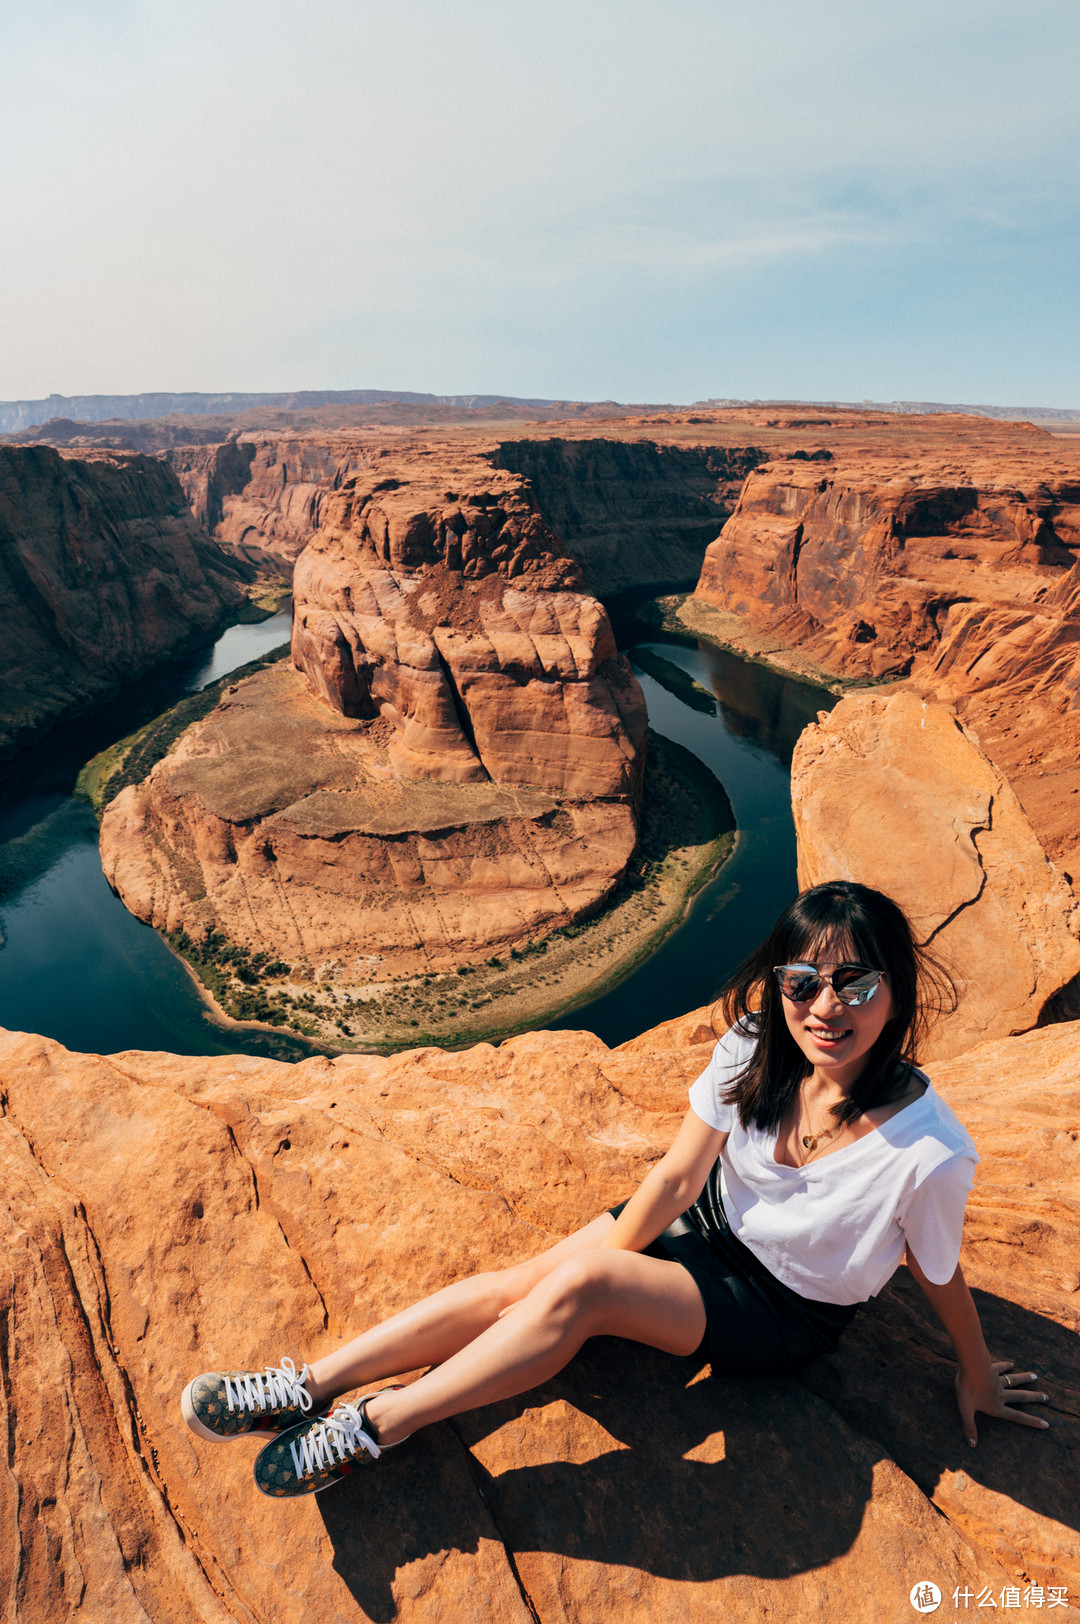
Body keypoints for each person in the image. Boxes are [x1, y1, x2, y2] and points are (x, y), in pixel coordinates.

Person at [180, 880, 1050, 1498]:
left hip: (785, 1309)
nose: (827, 1005)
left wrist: (974, 1370)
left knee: (583, 1287)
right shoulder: (754, 1047)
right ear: (779, 983)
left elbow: (939, 1269)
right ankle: (309, 1384)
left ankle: (381, 1426)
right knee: (532, 1283)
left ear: (895, 994)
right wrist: (583, 1280)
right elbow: (678, 1176)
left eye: (857, 982)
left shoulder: (930, 1151)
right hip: (705, 1227)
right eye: (804, 981)